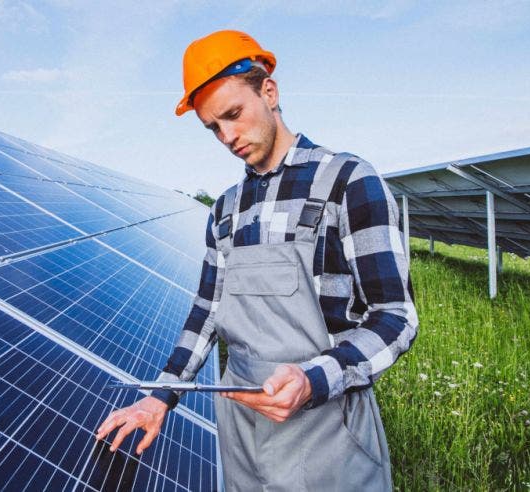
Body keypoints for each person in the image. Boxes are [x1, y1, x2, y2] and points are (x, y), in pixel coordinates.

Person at [96, 29, 418, 491]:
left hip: (329, 430)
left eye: (233, 115)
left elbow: (395, 316)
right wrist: (160, 396)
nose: (227, 136)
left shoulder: (348, 182)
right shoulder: (226, 209)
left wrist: (314, 378)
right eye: (213, 127)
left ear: (268, 91)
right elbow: (206, 313)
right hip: (242, 431)